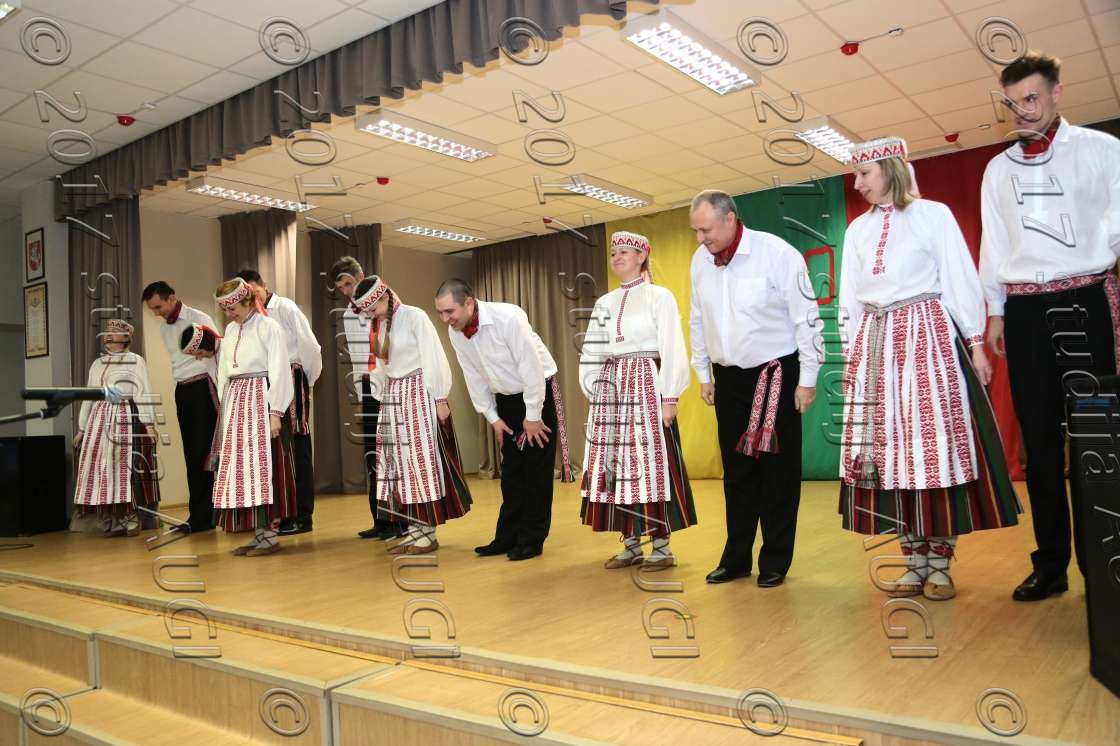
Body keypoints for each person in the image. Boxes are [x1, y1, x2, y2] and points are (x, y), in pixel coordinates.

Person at [838, 136, 1022, 601]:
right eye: (856, 175)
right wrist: (852, 354)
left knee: (931, 451)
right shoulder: (857, 230)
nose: (857, 183)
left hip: (925, 336)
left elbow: (959, 277)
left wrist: (975, 344)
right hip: (875, 344)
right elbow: (849, 296)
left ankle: (939, 563)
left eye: (864, 173)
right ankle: (912, 561)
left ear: (890, 170)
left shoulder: (933, 215)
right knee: (888, 456)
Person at [979, 51, 1120, 602]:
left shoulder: (1101, 150)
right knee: (1039, 445)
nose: (1024, 111)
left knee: (1096, 440)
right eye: (1013, 103)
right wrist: (995, 310)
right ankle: (1051, 564)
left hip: (1084, 301)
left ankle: (1103, 567)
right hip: (1023, 313)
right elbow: (993, 244)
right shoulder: (997, 170)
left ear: (1057, 93)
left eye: (1032, 98)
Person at [689, 189, 821, 588]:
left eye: (706, 230)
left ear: (730, 219)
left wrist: (808, 379)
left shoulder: (777, 254)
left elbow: (807, 319)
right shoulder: (700, 261)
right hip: (728, 379)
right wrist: (703, 373)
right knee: (737, 473)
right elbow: (697, 317)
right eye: (696, 231)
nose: (701, 239)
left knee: (778, 472)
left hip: (776, 374)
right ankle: (736, 559)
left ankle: (775, 559)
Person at [579, 231, 697, 569]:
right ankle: (630, 545)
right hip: (612, 389)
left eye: (624, 252)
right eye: (613, 252)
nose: (617, 257)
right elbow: (592, 349)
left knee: (650, 466)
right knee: (617, 465)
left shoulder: (659, 296)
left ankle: (661, 548)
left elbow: (672, 344)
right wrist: (594, 390)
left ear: (642, 256)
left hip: (645, 384)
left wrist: (670, 396)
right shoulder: (604, 302)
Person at [435, 278, 573, 562]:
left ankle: (531, 539)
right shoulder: (456, 332)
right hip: (505, 398)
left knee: (535, 469)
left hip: (538, 391)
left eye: (449, 311)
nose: (445, 319)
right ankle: (506, 537)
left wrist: (533, 415)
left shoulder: (508, 317)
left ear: (469, 303)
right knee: (511, 471)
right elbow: (472, 375)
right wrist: (493, 417)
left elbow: (531, 366)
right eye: (441, 313)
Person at [352, 275, 471, 554]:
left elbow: (433, 356)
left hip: (418, 392)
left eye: (372, 308)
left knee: (420, 463)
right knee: (399, 466)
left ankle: (427, 533)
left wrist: (440, 398)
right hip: (394, 395)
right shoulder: (380, 326)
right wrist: (381, 398)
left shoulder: (415, 316)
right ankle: (414, 530)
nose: (370, 314)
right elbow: (380, 367)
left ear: (384, 297)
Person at [210, 278, 296, 556]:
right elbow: (224, 370)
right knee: (243, 471)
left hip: (261, 398)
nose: (228, 314)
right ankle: (258, 535)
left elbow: (280, 369)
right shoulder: (230, 330)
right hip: (237, 402)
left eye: (232, 308)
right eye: (225, 309)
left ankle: (270, 535)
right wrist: (226, 406)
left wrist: (275, 412)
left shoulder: (269, 327)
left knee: (265, 469)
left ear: (247, 301)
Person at [234, 269, 323, 536]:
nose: (252, 296)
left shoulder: (284, 307)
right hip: (267, 382)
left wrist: (307, 381)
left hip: (292, 375)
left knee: (297, 445)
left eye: (254, 290)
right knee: (277, 450)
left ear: (263, 285)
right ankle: (283, 513)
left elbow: (310, 347)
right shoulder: (250, 319)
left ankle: (303, 516)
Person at [329, 256, 408, 542]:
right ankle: (380, 520)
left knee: (392, 453)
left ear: (361, 276)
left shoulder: (388, 302)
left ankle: (400, 520)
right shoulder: (348, 315)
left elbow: (394, 346)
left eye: (348, 284)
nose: (346, 291)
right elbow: (357, 358)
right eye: (341, 287)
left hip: (389, 380)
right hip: (367, 385)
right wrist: (361, 393)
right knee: (373, 454)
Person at [143, 281, 220, 533]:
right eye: (153, 310)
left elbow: (218, 350)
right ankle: (198, 516)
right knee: (190, 453)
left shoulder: (199, 318)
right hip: (183, 390)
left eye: (158, 307)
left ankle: (211, 514)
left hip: (203, 387)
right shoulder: (164, 329)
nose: (157, 313)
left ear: (172, 297)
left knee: (206, 452)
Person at [73, 319, 160, 537]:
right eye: (107, 331)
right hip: (100, 419)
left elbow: (142, 391)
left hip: (125, 415)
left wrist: (148, 424)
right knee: (104, 470)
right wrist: (82, 428)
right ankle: (114, 518)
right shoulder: (97, 363)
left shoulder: (135, 360)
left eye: (114, 331)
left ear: (126, 337)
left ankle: (132, 517)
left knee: (127, 468)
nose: (108, 335)